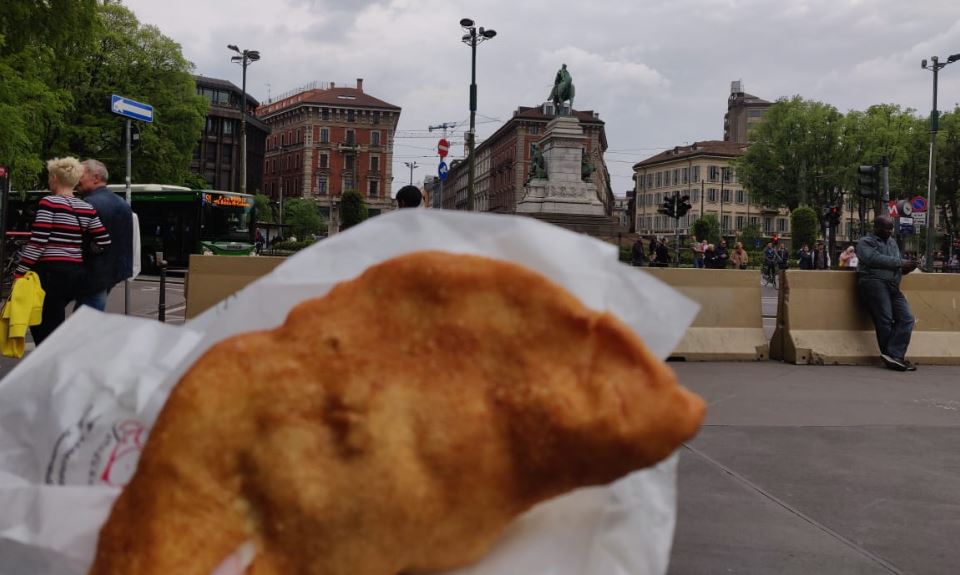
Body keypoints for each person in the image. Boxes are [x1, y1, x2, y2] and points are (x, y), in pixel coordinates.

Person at [16, 157, 111, 345]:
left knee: (43, 325)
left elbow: (38, 242)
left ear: (54, 178)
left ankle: (49, 364)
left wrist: (20, 271)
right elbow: (104, 240)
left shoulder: (49, 203)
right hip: (74, 272)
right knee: (56, 318)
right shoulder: (86, 207)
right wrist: (78, 251)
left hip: (50, 271)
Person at [856, 215, 917, 371]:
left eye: (891, 228)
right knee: (885, 318)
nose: (890, 231)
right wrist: (900, 263)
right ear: (876, 227)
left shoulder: (892, 242)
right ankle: (892, 356)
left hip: (892, 285)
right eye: (886, 228)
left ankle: (894, 355)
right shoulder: (865, 242)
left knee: (907, 318)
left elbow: (894, 263)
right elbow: (872, 259)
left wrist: (905, 269)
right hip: (873, 282)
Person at [75, 159, 133, 311]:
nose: (77, 180)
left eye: (80, 175)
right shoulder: (122, 203)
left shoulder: (89, 203)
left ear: (96, 178)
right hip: (113, 272)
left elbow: (84, 241)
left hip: (93, 273)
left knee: (86, 321)